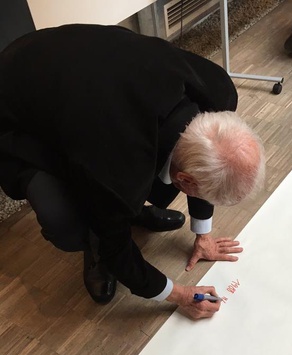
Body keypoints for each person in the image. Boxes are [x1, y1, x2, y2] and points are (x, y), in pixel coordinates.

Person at [0, 25, 266, 320]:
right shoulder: (116, 169)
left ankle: (124, 213)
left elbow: (209, 156)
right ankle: (100, 233)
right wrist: (181, 294)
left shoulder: (219, 92)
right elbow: (119, 254)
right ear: (186, 182)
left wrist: (203, 235)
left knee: (138, 184)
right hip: (15, 103)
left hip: (77, 68)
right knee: (65, 220)